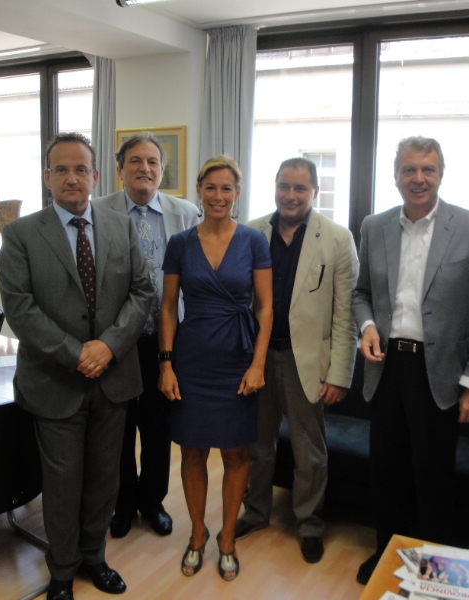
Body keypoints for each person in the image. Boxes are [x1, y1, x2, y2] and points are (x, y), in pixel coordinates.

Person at [0, 132, 154, 600]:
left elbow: (142, 292)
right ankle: (62, 571)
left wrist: (107, 347)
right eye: (62, 169)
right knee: (63, 484)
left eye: (80, 169)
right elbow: (20, 309)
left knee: (105, 480)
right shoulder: (21, 234)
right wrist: (77, 354)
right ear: (47, 177)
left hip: (114, 377)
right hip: (55, 381)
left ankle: (94, 558)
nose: (72, 177)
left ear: (95, 176)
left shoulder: (120, 227)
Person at [352, 136, 469, 584]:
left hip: (439, 374)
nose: (418, 178)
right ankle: (386, 555)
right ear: (396, 176)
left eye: (428, 169)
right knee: (386, 471)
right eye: (409, 170)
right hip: (385, 367)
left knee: (433, 474)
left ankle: (435, 571)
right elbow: (361, 294)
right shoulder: (374, 226)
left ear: (440, 174)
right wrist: (367, 326)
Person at [236, 157, 359, 563]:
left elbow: (345, 314)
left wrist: (339, 374)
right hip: (257, 359)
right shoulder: (251, 232)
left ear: (314, 193)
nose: (291, 195)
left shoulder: (337, 238)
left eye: (300, 188)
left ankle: (309, 524)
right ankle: (255, 513)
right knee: (257, 445)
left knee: (310, 452)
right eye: (284, 186)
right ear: (274, 187)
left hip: (306, 362)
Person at [158, 155, 273, 581]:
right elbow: (167, 307)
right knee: (192, 450)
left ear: (237, 193)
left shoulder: (254, 241)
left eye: (227, 188)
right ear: (199, 191)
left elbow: (266, 307)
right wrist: (166, 364)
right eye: (211, 187)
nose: (218, 196)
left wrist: (258, 363)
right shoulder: (180, 243)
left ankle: (227, 538)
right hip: (192, 359)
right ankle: (197, 533)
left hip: (238, 359)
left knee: (237, 451)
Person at [93, 132, 199, 539]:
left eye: (153, 161)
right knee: (118, 428)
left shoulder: (184, 213)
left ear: (162, 169)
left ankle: (152, 503)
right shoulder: (98, 211)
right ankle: (122, 504)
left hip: (166, 340)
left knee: (159, 428)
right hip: (117, 340)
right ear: (119, 169)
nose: (144, 168)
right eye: (135, 161)